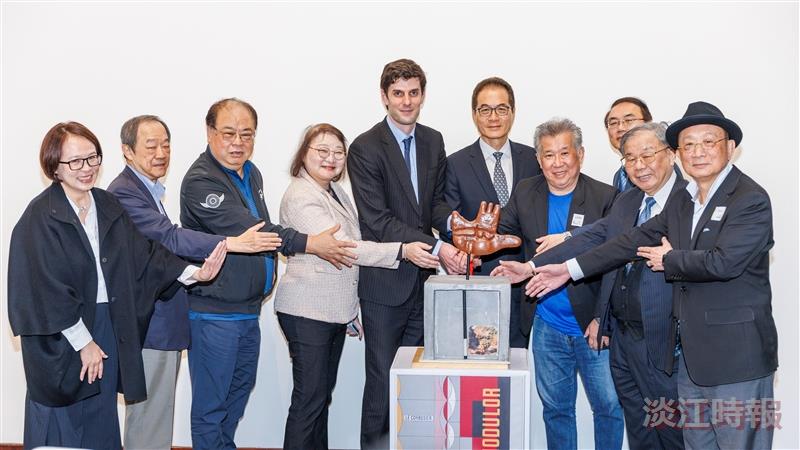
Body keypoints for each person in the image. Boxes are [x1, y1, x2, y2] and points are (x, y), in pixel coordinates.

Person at [528, 102, 778, 449]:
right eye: (689, 145)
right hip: (688, 361)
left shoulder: (749, 199)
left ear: (730, 147)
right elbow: (625, 241)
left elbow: (724, 262)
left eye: (708, 142)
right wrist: (566, 270)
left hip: (734, 360)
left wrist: (671, 259)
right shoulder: (686, 201)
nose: (698, 152)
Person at [7, 121, 225, 450]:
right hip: (61, 337)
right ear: (54, 166)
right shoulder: (40, 216)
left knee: (100, 414)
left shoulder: (107, 205)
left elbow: (145, 255)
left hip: (105, 323)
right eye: (75, 162)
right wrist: (83, 342)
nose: (87, 169)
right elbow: (43, 289)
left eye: (92, 158)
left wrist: (194, 274)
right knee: (63, 421)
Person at [179, 98, 357, 449]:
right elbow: (257, 231)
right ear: (209, 132)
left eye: (247, 134)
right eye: (228, 133)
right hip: (215, 314)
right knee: (211, 408)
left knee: (235, 400)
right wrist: (309, 243)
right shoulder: (201, 182)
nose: (237, 142)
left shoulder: (250, 172)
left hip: (246, 312)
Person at [495, 122, 685, 449]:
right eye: (630, 158)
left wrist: (601, 315)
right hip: (565, 327)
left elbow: (608, 255)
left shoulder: (684, 200)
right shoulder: (629, 202)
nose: (639, 165)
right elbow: (596, 238)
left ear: (670, 155)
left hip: (655, 337)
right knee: (630, 422)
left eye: (647, 155)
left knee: (648, 420)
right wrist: (529, 267)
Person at [108, 114, 282, 450]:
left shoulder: (149, 191)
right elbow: (167, 237)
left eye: (166, 144)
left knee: (160, 416)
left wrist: (193, 274)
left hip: (167, 324)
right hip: (151, 326)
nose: (161, 153)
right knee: (151, 421)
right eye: (151, 146)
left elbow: (155, 254)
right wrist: (230, 243)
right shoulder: (125, 193)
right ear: (127, 151)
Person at [274, 123, 439, 450]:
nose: (330, 158)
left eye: (338, 152)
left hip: (329, 312)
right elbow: (345, 248)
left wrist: (349, 312)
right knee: (309, 403)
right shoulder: (301, 196)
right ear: (303, 153)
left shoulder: (334, 191)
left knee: (319, 400)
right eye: (322, 151)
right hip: (306, 312)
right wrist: (402, 250)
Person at [347, 58, 463, 449]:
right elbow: (377, 220)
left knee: (418, 377)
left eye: (414, 92)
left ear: (423, 95)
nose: (407, 101)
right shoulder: (364, 147)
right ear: (384, 97)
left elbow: (435, 205)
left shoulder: (433, 140)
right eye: (398, 93)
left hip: (424, 281)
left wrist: (454, 228)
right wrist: (438, 246)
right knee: (382, 378)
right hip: (385, 284)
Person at [493, 118, 623, 449]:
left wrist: (604, 319)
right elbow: (505, 233)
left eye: (565, 153)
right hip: (546, 324)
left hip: (592, 324)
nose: (557, 163)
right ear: (539, 159)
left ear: (580, 153)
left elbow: (612, 259)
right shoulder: (526, 191)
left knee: (608, 407)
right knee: (556, 410)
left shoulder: (605, 196)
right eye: (548, 155)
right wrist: (482, 241)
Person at [444, 76, 540, 348]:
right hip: (478, 282)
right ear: (475, 115)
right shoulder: (455, 163)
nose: (493, 116)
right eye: (485, 109)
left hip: (527, 284)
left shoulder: (534, 159)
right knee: (481, 364)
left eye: (501, 108)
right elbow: (450, 219)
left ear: (513, 112)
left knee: (518, 364)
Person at [604, 97, 653, 192]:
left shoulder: (658, 167)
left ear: (648, 124)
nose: (620, 128)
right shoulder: (619, 175)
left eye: (629, 120)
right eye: (613, 123)